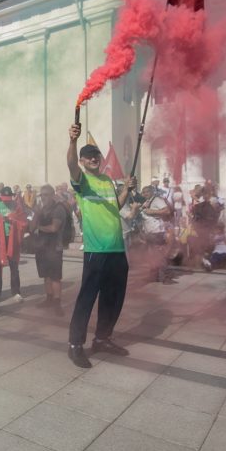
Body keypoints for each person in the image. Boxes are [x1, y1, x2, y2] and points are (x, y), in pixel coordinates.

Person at [66, 125, 134, 368]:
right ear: (84, 161)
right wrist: (73, 142)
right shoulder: (82, 180)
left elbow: (115, 205)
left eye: (96, 156)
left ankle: (103, 338)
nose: (93, 159)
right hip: (96, 251)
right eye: (88, 157)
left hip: (116, 249)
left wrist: (126, 188)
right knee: (87, 297)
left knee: (113, 298)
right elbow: (71, 164)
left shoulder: (107, 180)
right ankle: (75, 344)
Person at [30, 184, 67, 312]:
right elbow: (31, 228)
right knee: (46, 275)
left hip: (55, 247)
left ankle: (57, 303)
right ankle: (49, 299)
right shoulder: (42, 209)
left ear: (52, 195)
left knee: (55, 277)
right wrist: (36, 214)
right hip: (42, 247)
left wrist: (39, 228)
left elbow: (54, 228)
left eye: (46, 195)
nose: (43, 197)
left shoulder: (58, 209)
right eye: (42, 195)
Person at [0, 186, 28, 302]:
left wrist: (12, 220)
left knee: (14, 266)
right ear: (0, 197)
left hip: (13, 238)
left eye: (8, 198)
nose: (6, 201)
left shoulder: (17, 206)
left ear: (12, 196)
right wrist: (2, 220)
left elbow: (23, 221)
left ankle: (16, 292)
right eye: (4, 199)